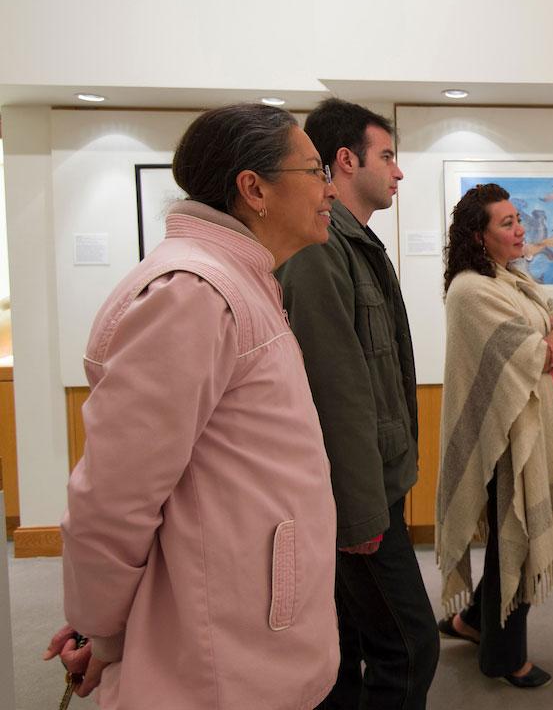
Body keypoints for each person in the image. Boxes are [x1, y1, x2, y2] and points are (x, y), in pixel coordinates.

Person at [43, 103, 340, 707]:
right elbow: (113, 497)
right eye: (315, 171)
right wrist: (102, 631)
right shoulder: (194, 293)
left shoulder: (238, 280)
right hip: (218, 657)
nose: (329, 188)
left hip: (239, 624)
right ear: (254, 189)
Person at [275, 98, 438, 709]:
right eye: (388, 155)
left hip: (369, 483)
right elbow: (334, 390)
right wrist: (364, 512)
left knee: (344, 647)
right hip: (358, 497)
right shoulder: (321, 248)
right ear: (346, 159)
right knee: (409, 644)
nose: (398, 171)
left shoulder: (352, 241)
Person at [436, 183, 553, 689]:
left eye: (518, 219)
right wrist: (552, 342)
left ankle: (472, 622)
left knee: (507, 537)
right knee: (512, 539)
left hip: (532, 429)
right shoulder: (472, 291)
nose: (520, 229)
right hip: (506, 438)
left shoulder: (511, 280)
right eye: (506, 223)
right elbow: (533, 355)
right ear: (479, 236)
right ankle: (504, 657)